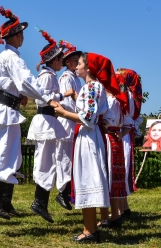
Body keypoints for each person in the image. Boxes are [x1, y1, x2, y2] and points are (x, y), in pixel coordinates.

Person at [0, 6, 61, 220]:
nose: (22, 37)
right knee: (5, 151)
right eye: (20, 34)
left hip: (7, 106)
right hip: (6, 109)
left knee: (6, 152)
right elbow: (25, 81)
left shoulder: (6, 57)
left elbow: (13, 84)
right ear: (15, 36)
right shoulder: (13, 58)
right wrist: (46, 97)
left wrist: (20, 95)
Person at [55, 52, 125, 243]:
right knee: (86, 177)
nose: (76, 67)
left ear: (89, 68)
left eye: (79, 64)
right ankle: (90, 227)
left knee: (88, 177)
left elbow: (89, 118)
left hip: (89, 137)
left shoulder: (92, 87)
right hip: (89, 136)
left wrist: (62, 112)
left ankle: (90, 230)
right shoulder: (92, 87)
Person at [27, 29, 70, 223]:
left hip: (49, 120)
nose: (62, 62)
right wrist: (62, 96)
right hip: (45, 120)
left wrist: (59, 97)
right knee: (45, 160)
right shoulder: (47, 75)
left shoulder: (50, 74)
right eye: (60, 59)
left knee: (48, 160)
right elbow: (41, 98)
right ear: (54, 60)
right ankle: (39, 201)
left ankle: (41, 201)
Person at [55, 40, 83, 211]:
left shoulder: (76, 79)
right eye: (74, 60)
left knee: (71, 158)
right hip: (67, 120)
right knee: (64, 157)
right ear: (67, 62)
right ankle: (62, 191)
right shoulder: (66, 78)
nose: (77, 62)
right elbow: (67, 102)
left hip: (74, 120)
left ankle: (69, 191)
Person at [97, 89, 127, 229]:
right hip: (116, 138)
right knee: (114, 176)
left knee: (106, 176)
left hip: (108, 137)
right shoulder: (120, 100)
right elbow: (129, 122)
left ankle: (107, 217)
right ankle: (115, 215)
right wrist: (121, 133)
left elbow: (104, 121)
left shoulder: (110, 100)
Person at [116, 68, 143, 218]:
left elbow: (127, 117)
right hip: (124, 134)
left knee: (120, 170)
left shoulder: (126, 95)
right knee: (122, 170)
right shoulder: (131, 95)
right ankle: (124, 207)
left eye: (120, 75)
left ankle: (120, 208)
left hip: (122, 134)